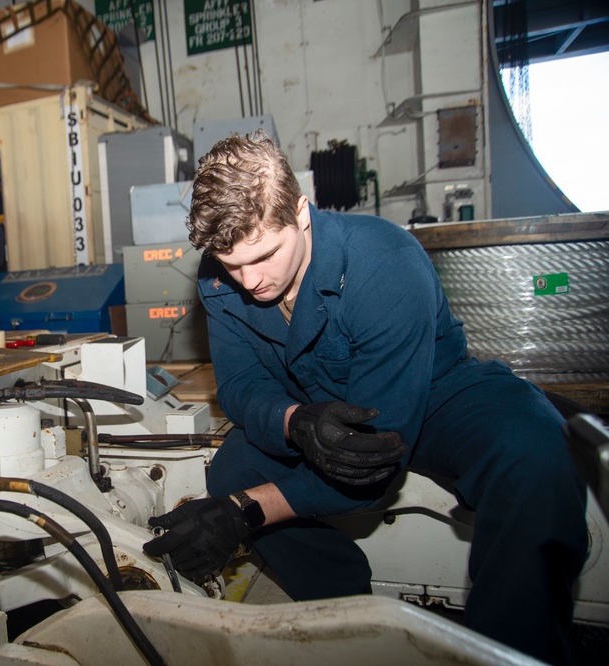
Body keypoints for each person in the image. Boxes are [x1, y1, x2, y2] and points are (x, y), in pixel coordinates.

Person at [142, 131, 588, 664]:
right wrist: (293, 421)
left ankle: (511, 651)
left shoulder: (383, 262)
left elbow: (371, 468)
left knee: (537, 448)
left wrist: (245, 514)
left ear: (301, 214)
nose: (250, 281)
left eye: (263, 256)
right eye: (231, 264)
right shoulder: (222, 280)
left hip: (435, 392)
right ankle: (343, 616)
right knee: (233, 465)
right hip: (312, 402)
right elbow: (240, 387)